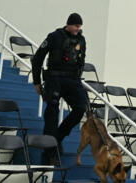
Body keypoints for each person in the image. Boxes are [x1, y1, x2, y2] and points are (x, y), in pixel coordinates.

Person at [32, 13, 88, 161]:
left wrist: (77, 78)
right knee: (52, 113)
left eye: (80, 26)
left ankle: (57, 137)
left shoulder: (81, 40)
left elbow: (81, 61)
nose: (78, 29)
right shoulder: (54, 36)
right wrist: (36, 82)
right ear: (69, 24)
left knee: (81, 107)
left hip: (72, 80)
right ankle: (49, 151)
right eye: (76, 26)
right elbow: (37, 59)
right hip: (54, 79)